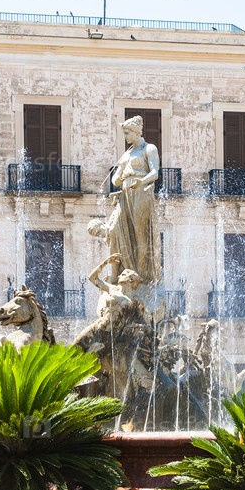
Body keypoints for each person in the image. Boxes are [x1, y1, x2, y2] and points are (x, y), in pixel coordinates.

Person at [110, 115, 161, 285]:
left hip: (141, 192)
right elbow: (115, 178)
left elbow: (155, 173)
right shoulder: (127, 154)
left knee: (140, 233)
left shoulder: (149, 149)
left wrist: (141, 181)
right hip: (126, 193)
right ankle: (118, 272)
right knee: (115, 230)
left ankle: (141, 275)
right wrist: (117, 180)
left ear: (136, 132)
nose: (125, 137)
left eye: (127, 133)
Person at [72, 253, 144, 351]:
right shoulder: (112, 289)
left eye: (124, 274)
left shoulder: (136, 301)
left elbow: (141, 322)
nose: (119, 276)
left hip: (114, 335)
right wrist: (106, 262)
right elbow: (92, 278)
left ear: (131, 280)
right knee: (73, 349)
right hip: (97, 328)